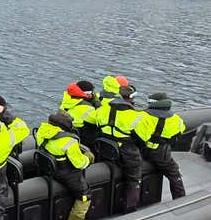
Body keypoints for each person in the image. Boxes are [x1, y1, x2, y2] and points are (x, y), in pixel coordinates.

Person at [35, 110, 95, 220]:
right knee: (84, 196)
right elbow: (79, 164)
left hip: (49, 169)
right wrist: (89, 158)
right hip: (64, 173)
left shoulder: (41, 131)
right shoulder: (69, 141)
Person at [96, 84, 144, 212]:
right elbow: (143, 138)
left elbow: (98, 125)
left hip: (106, 148)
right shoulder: (135, 116)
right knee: (134, 178)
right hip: (127, 152)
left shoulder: (101, 110)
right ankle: (130, 209)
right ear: (130, 98)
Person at [135, 92, 186, 199]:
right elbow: (181, 130)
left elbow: (138, 136)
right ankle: (180, 199)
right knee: (174, 173)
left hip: (144, 152)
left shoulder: (143, 116)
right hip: (162, 154)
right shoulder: (176, 119)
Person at [60, 80, 100, 148]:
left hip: (69, 134)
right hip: (84, 140)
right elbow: (100, 120)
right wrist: (99, 105)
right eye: (92, 92)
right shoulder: (86, 109)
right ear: (86, 94)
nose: (94, 94)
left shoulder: (66, 102)